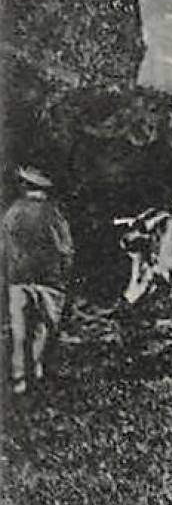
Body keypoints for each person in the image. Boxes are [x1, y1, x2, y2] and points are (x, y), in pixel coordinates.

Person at [3, 165, 75, 395]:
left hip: (18, 277)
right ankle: (37, 371)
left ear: (25, 187)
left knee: (20, 330)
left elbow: (4, 247)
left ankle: (20, 379)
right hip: (49, 280)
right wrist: (66, 273)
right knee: (45, 328)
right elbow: (65, 248)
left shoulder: (12, 212)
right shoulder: (53, 212)